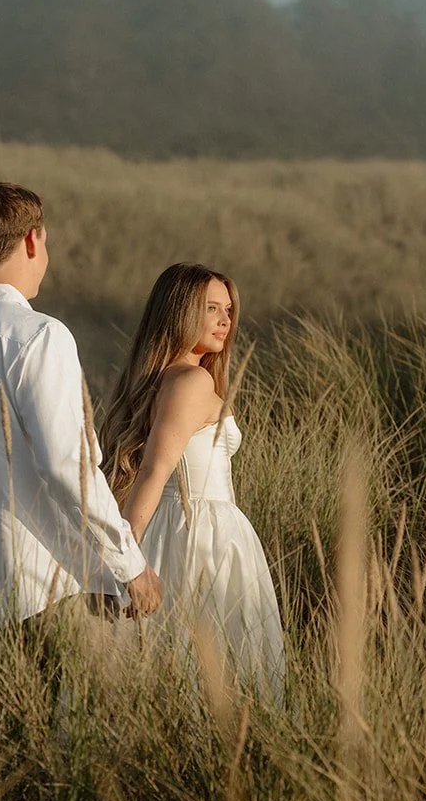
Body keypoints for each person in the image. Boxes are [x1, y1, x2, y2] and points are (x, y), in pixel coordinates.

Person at [0, 182, 162, 641]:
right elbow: (69, 467)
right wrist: (131, 564)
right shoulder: (39, 335)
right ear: (33, 240)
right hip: (50, 588)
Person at [98, 263, 286, 699]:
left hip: (181, 528)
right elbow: (153, 471)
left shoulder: (162, 380)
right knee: (214, 668)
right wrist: (123, 558)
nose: (225, 320)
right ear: (180, 312)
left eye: (228, 309)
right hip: (201, 536)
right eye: (211, 309)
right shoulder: (191, 381)